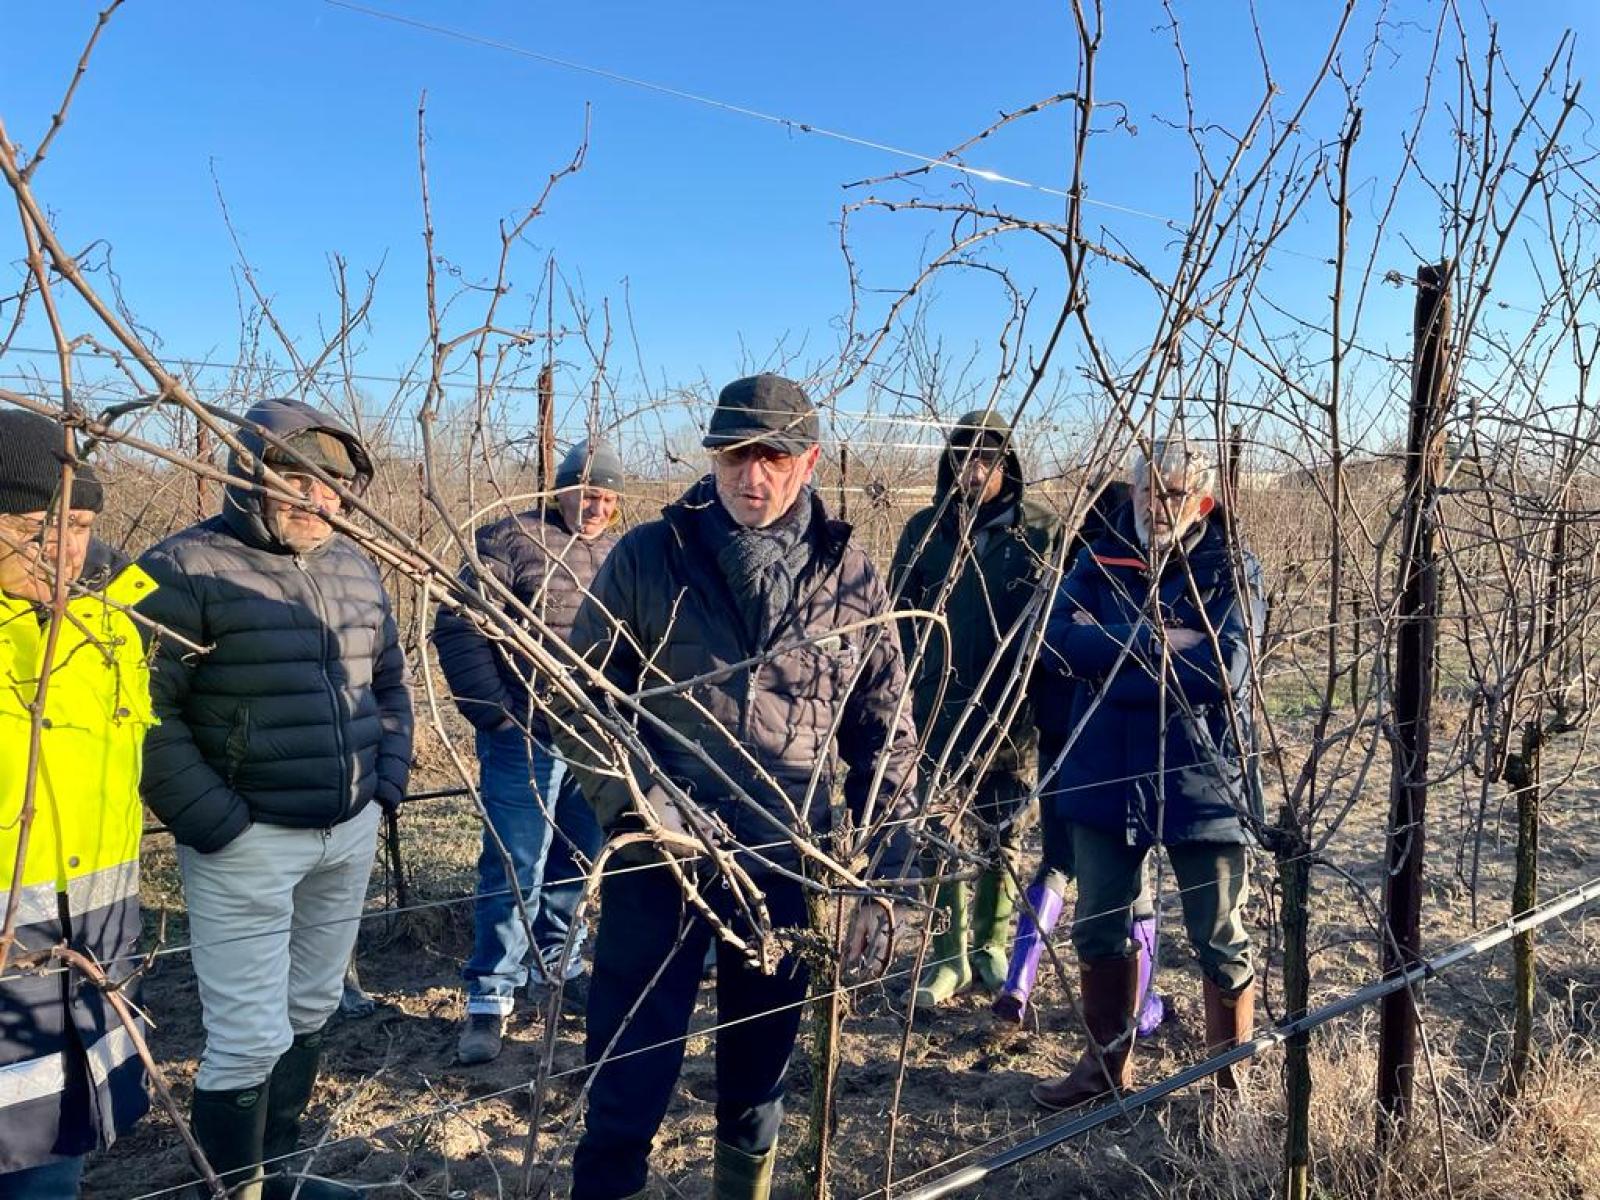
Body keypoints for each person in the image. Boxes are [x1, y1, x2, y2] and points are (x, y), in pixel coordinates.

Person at [554, 374, 918, 1200]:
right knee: (629, 1067)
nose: (752, 478)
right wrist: (640, 807)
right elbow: (577, 697)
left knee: (760, 1074)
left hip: (786, 852)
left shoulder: (851, 576)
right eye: (733, 458)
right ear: (712, 458)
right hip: (661, 851)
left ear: (810, 460)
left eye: (774, 458)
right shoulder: (651, 556)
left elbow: (887, 736)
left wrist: (871, 876)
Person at [136, 398, 414, 1198]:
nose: (314, 499)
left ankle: (279, 1174)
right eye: (292, 477)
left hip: (347, 828)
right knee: (246, 1037)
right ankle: (235, 1189)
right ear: (244, 472)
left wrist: (384, 781)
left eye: (330, 485)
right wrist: (217, 822)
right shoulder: (182, 569)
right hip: (247, 839)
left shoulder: (355, 566)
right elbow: (145, 716)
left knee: (312, 1004)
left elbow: (389, 681)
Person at [1028, 439, 1263, 1110]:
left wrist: (1108, 647)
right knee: (1099, 927)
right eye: (1147, 490)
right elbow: (1053, 645)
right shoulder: (1096, 558)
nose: (1158, 504)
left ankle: (1229, 1085)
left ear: (1204, 500)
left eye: (1175, 492)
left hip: (1203, 779)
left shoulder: (1230, 568)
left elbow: (1222, 672)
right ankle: (1105, 1072)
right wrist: (1155, 640)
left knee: (1218, 934)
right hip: (1104, 773)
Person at [433, 440, 623, 1064]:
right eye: (586, 492)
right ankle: (490, 997)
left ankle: (559, 964)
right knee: (516, 864)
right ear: (561, 487)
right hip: (526, 733)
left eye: (607, 498)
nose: (595, 507)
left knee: (579, 853)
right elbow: (459, 626)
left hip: (596, 735)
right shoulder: (509, 540)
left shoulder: (621, 553)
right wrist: (498, 714)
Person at [0, 411, 150, 1198]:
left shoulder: (112, 626)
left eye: (81, 523)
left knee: (52, 1156)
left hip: (89, 943)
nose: (60, 545)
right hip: (10, 950)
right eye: (33, 524)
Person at [889, 410, 1060, 1007]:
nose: (973, 469)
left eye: (986, 458)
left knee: (1003, 834)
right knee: (938, 835)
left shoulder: (1040, 530)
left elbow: (1055, 622)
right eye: (962, 458)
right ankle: (947, 957)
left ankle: (991, 949)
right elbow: (896, 617)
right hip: (936, 711)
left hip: (1013, 718)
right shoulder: (925, 531)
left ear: (1006, 464)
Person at [992, 476, 1170, 1034]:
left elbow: (1045, 653)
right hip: (1116, 747)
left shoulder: (1064, 573)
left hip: (1055, 739)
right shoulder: (1134, 580)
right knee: (1133, 874)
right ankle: (1141, 1009)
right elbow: (1151, 661)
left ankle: (1017, 983)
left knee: (1056, 861)